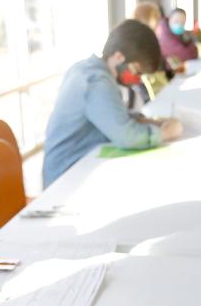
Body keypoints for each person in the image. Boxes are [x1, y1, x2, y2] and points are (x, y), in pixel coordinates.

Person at [43, 20, 182, 187]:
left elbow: (111, 115)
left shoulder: (85, 69)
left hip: (75, 166)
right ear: (118, 57)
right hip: (66, 178)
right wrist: (165, 133)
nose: (137, 79)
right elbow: (127, 136)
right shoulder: (96, 82)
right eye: (136, 71)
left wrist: (149, 121)